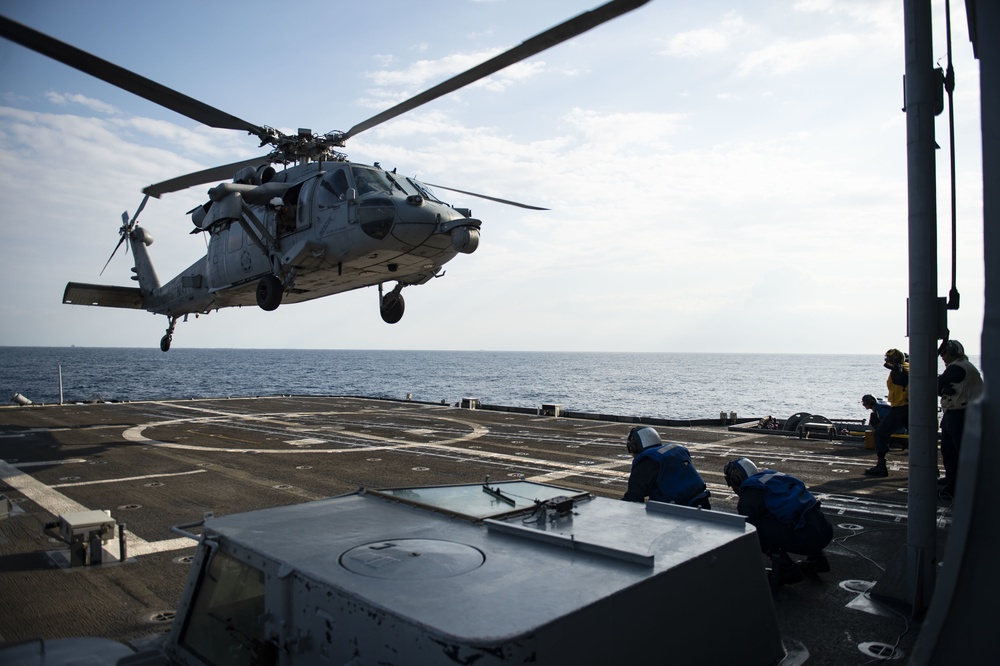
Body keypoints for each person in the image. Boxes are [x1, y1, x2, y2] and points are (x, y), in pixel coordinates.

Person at [723, 457, 833, 590]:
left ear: (736, 479)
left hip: (807, 537)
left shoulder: (751, 492)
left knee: (757, 531)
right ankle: (817, 560)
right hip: (825, 529)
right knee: (796, 515)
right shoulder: (771, 476)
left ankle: (786, 570)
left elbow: (747, 530)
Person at [937, 340, 984, 498]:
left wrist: (941, 388)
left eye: (944, 354)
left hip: (960, 414)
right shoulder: (965, 366)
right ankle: (953, 480)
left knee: (954, 451)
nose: (943, 357)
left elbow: (936, 385)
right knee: (950, 450)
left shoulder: (956, 368)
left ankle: (957, 486)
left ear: (952, 352)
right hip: (958, 412)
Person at [622, 426, 711, 509]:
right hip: (702, 501)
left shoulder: (648, 460)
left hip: (680, 509)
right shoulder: (676, 449)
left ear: (634, 447)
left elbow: (633, 498)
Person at [865, 348, 909, 477]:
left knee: (879, 434)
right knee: (917, 438)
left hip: (900, 408)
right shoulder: (907, 367)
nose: (887, 361)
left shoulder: (899, 372)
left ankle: (881, 466)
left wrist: (897, 370)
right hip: (910, 408)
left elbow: (902, 379)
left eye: (889, 359)